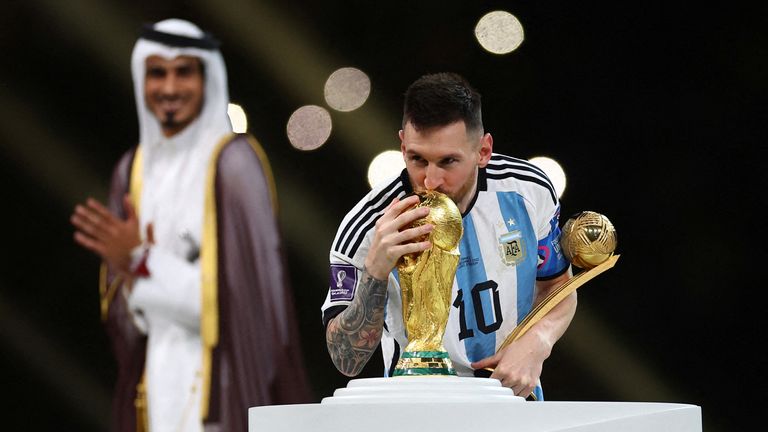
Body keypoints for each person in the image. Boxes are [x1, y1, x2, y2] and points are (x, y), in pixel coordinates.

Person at [71, 18, 311, 432]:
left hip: (229, 385)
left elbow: (248, 305)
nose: (169, 88)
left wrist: (142, 263)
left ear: (207, 77)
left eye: (184, 71)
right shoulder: (132, 170)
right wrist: (132, 272)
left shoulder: (235, 164)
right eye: (157, 73)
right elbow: (128, 318)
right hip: (159, 380)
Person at [322, 72, 574, 400]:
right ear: (402, 145)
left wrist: (538, 341)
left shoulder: (527, 192)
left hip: (511, 403)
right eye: (417, 159)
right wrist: (376, 271)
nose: (430, 180)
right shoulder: (366, 227)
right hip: (414, 411)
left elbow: (558, 287)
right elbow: (345, 359)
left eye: (448, 161)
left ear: (483, 150)